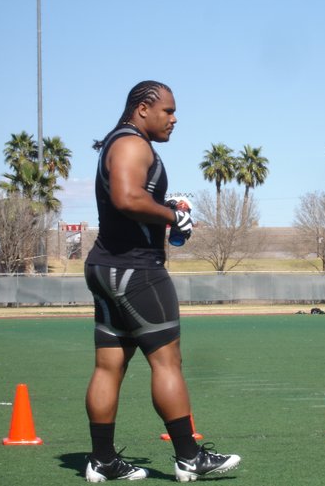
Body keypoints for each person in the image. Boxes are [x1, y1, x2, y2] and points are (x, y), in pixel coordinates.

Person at [83, 81, 240, 483]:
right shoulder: (132, 144)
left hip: (109, 267)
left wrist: (166, 209)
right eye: (167, 111)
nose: (174, 118)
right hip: (137, 271)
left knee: (109, 366)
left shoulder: (122, 143)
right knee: (167, 361)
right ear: (142, 109)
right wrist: (174, 217)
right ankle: (188, 457)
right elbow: (125, 198)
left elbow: (134, 201)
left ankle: (102, 461)